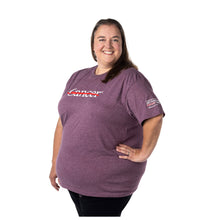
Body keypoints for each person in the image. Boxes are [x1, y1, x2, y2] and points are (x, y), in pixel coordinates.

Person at [49, 18, 165, 217]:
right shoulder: (78, 77)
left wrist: (143, 153)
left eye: (115, 40)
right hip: (73, 182)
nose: (108, 45)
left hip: (106, 186)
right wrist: (54, 164)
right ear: (93, 45)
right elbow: (63, 122)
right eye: (101, 39)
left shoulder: (130, 79)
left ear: (122, 45)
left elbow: (154, 116)